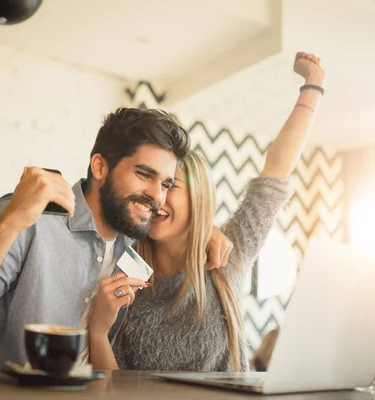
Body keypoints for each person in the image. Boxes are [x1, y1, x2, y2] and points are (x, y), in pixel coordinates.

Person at [0, 107, 230, 367]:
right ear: (100, 166)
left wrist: (206, 232)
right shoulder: (30, 220)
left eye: (165, 184)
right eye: (143, 175)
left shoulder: (135, 245)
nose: (156, 196)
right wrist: (9, 223)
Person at [87, 52, 325, 372]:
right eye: (151, 181)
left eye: (171, 185)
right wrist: (98, 332)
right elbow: (114, 386)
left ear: (198, 198)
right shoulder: (124, 268)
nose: (157, 196)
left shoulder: (227, 254)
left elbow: (276, 170)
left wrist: (313, 86)